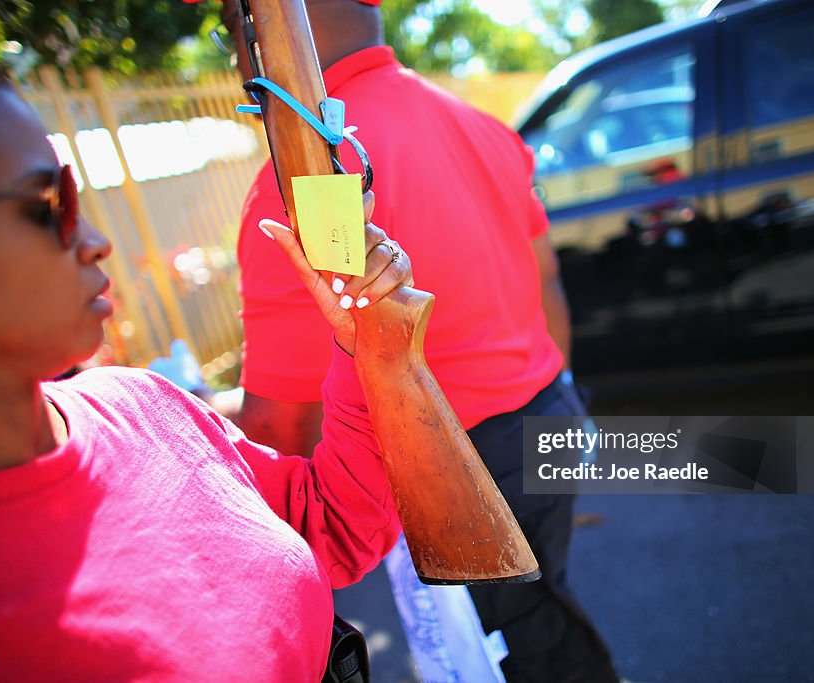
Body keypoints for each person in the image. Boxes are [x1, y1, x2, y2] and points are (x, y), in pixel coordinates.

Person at [0, 2, 415, 679]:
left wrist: (364, 349)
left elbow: (332, 526)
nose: (96, 242)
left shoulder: (142, 401)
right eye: (46, 204)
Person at [214, 0, 620, 680]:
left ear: (276, 23)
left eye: (233, 19)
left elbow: (278, 422)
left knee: (520, 652)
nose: (232, 47)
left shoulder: (300, 186)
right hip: (547, 414)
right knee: (543, 615)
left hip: (461, 470)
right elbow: (547, 281)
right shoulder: (478, 123)